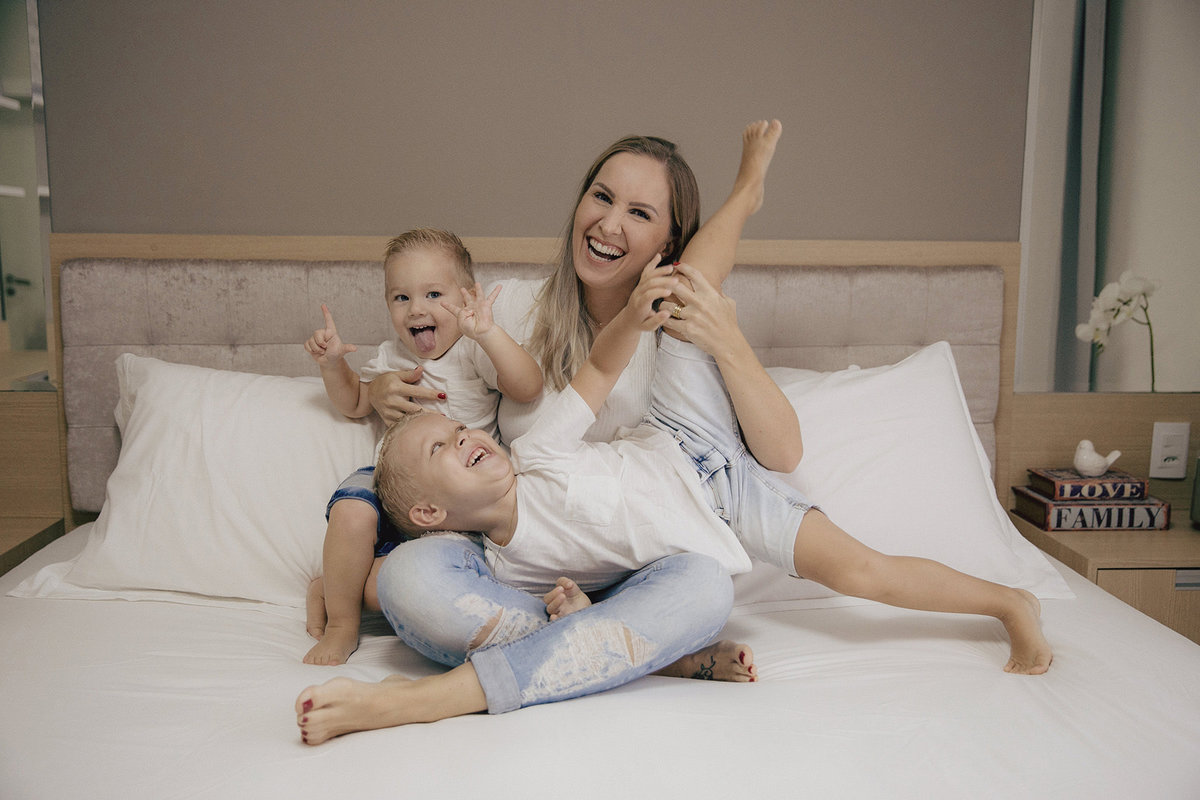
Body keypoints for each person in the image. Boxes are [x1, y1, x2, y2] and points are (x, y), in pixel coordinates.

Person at [296, 120, 782, 744]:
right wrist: (382, 388)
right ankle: (647, 649)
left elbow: (778, 448)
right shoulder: (505, 307)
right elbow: (451, 375)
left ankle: (432, 697)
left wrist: (745, 193)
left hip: (630, 560)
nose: (610, 224)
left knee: (707, 589)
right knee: (405, 581)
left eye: (639, 212)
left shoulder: (679, 324)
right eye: (601, 197)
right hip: (516, 558)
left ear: (670, 243)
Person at [301, 227, 544, 665]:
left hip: (457, 501)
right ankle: (341, 625)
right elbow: (353, 402)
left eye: (433, 294)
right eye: (401, 297)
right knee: (352, 510)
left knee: (403, 582)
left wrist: (489, 333)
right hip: (392, 485)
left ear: (466, 298)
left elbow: (528, 387)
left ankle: (340, 586)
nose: (416, 309)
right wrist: (335, 365)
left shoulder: (472, 351)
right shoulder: (392, 358)